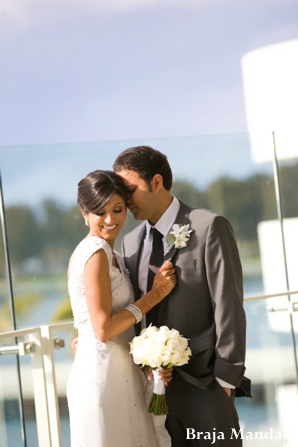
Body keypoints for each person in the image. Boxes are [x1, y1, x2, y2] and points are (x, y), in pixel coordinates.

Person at [113, 146, 249, 447]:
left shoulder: (209, 226)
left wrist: (225, 383)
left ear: (157, 183)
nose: (125, 200)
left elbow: (229, 306)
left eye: (130, 189)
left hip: (206, 385)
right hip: (153, 391)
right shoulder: (130, 243)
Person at [66, 169, 176, 447]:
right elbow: (102, 330)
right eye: (99, 212)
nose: (110, 219)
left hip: (121, 370)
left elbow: (91, 319)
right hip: (102, 376)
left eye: (117, 209)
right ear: (84, 213)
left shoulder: (113, 254)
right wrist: (155, 295)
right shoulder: (94, 252)